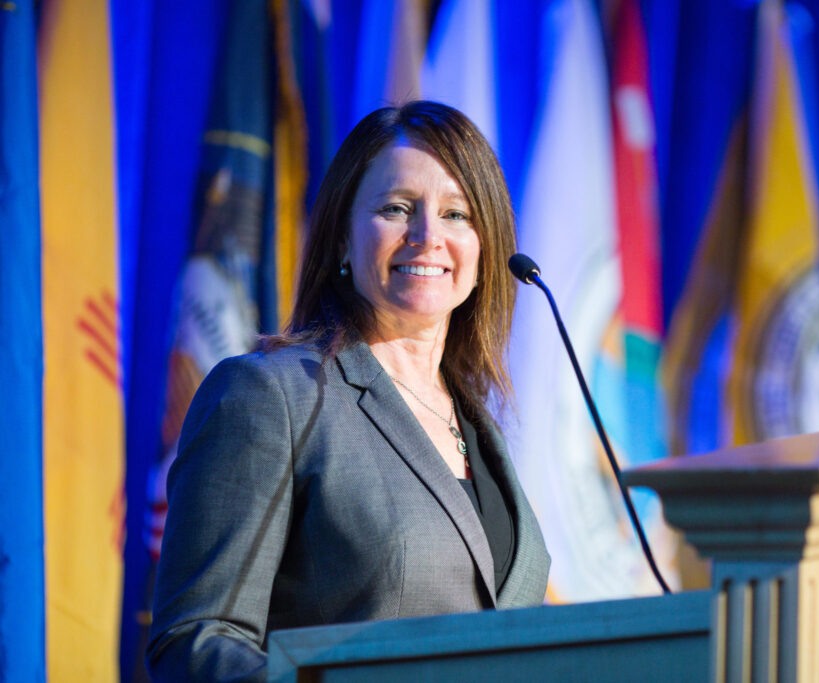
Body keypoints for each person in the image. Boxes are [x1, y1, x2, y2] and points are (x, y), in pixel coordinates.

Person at [146, 101, 551, 682]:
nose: (427, 236)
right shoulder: (271, 396)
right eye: (396, 208)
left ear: (486, 250)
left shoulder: (477, 424)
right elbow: (194, 642)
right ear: (341, 238)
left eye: (456, 214)